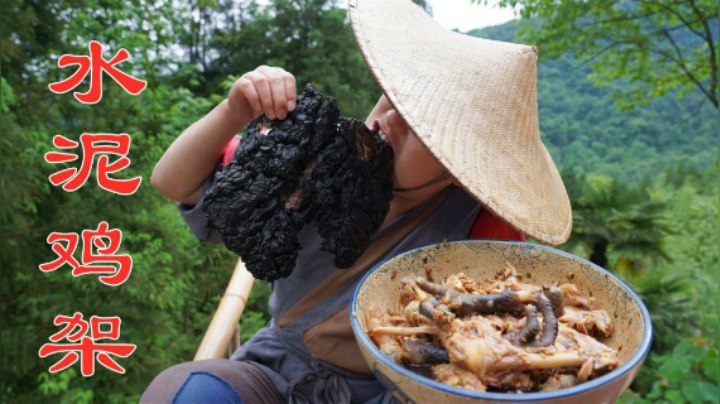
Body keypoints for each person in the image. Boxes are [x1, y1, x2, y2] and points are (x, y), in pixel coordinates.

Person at [142, 0, 572, 403]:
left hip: (395, 390)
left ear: (460, 168)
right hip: (276, 370)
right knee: (188, 392)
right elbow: (173, 182)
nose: (389, 118)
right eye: (395, 96)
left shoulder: (479, 229)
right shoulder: (314, 160)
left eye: (421, 125)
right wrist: (234, 109)